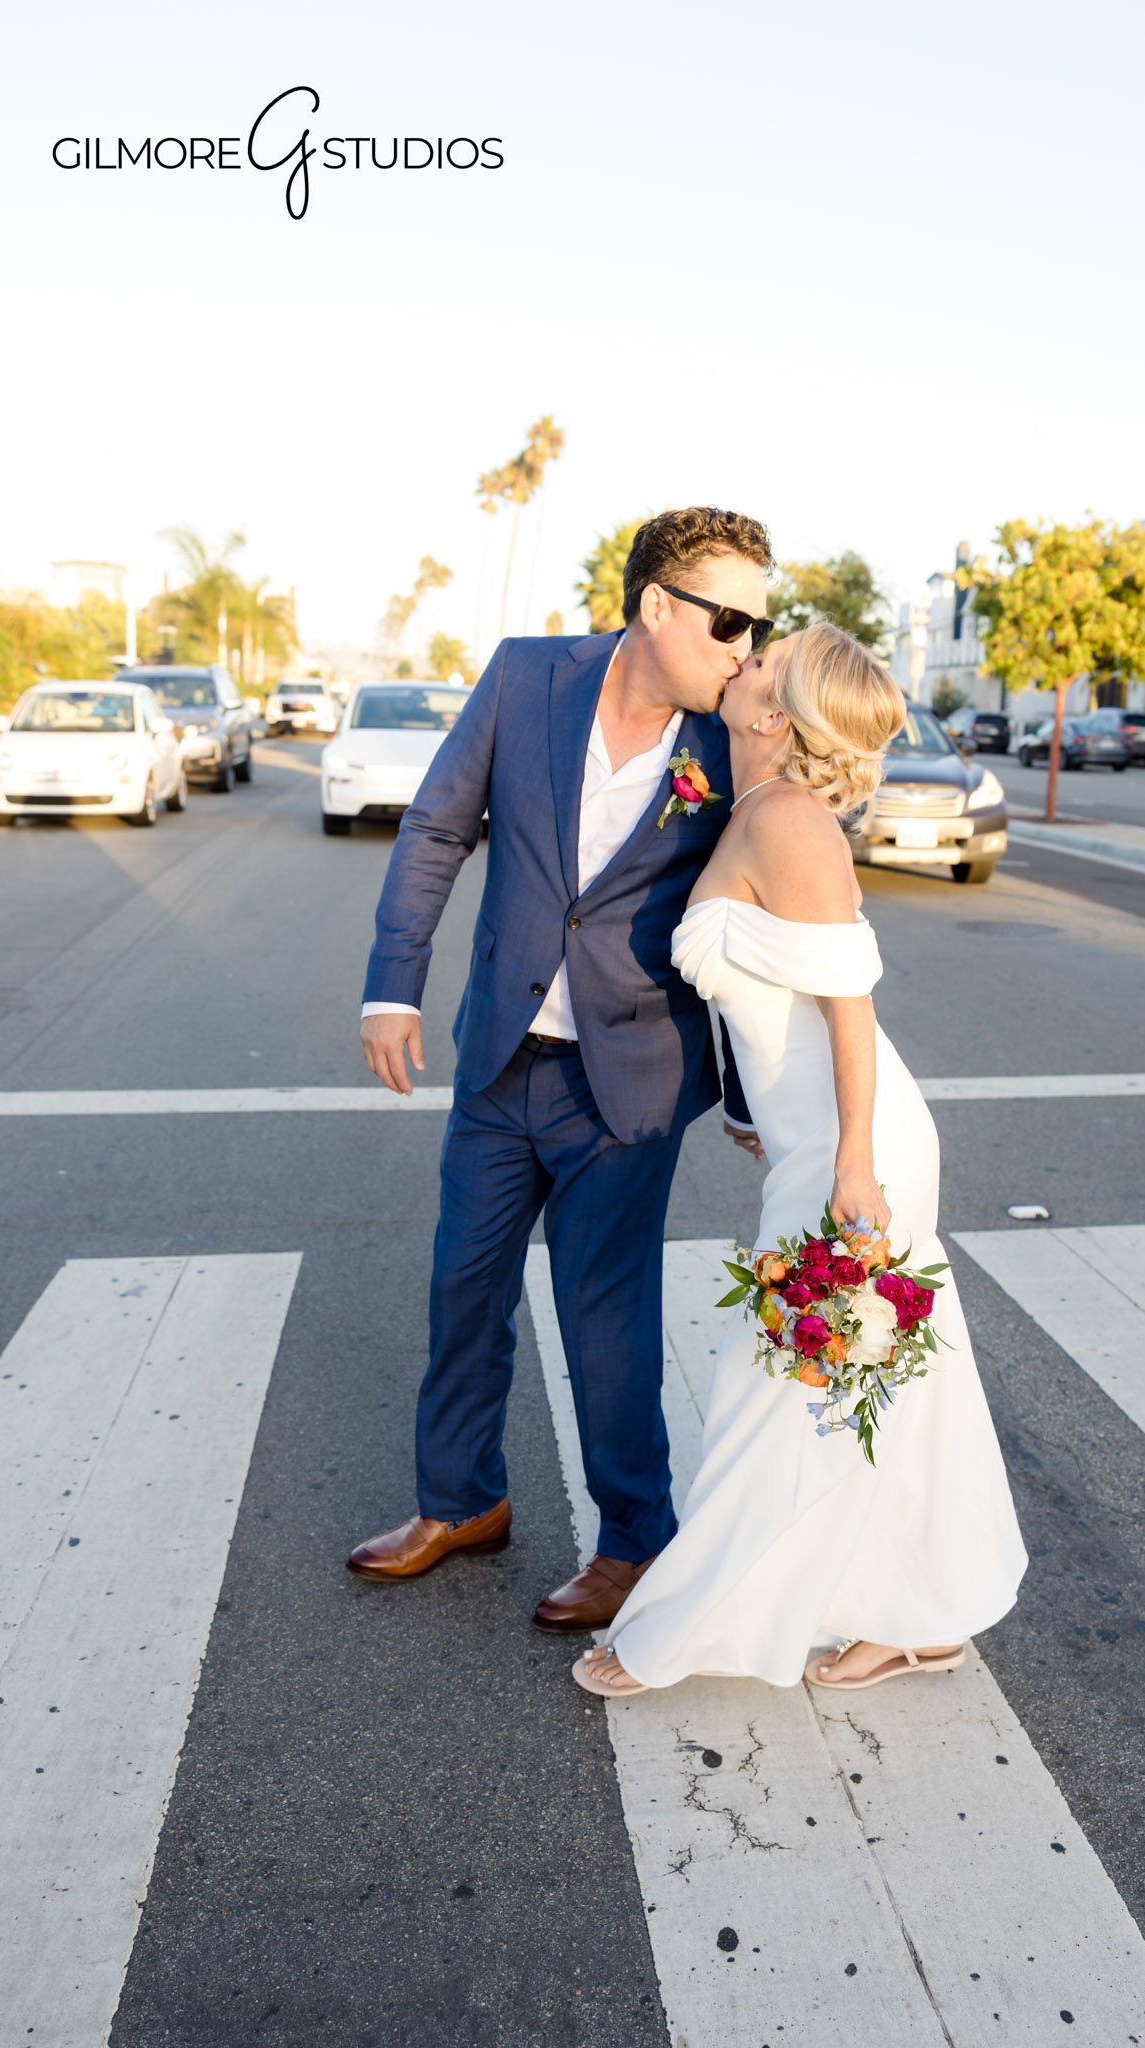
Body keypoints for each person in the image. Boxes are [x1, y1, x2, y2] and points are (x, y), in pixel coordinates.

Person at [575, 624, 1028, 1694]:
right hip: (813, 1135)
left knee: (777, 1382)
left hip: (852, 1149)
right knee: (891, 1394)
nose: (741, 665)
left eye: (763, 667)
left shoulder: (788, 822)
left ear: (777, 717)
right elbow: (766, 995)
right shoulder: (756, 809)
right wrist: (755, 1105)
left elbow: (852, 1008)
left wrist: (851, 1162)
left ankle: (679, 1633)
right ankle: (924, 1615)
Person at [348, 507, 776, 1635]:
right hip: (500, 1058)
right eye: (729, 621)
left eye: (759, 628)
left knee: (607, 1322)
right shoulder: (527, 677)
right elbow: (438, 827)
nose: (745, 649)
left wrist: (750, 1090)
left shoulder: (734, 739)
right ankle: (463, 1501)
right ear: (655, 605)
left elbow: (769, 908)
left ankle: (635, 1543)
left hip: (629, 1079)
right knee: (463, 1287)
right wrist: (394, 985)